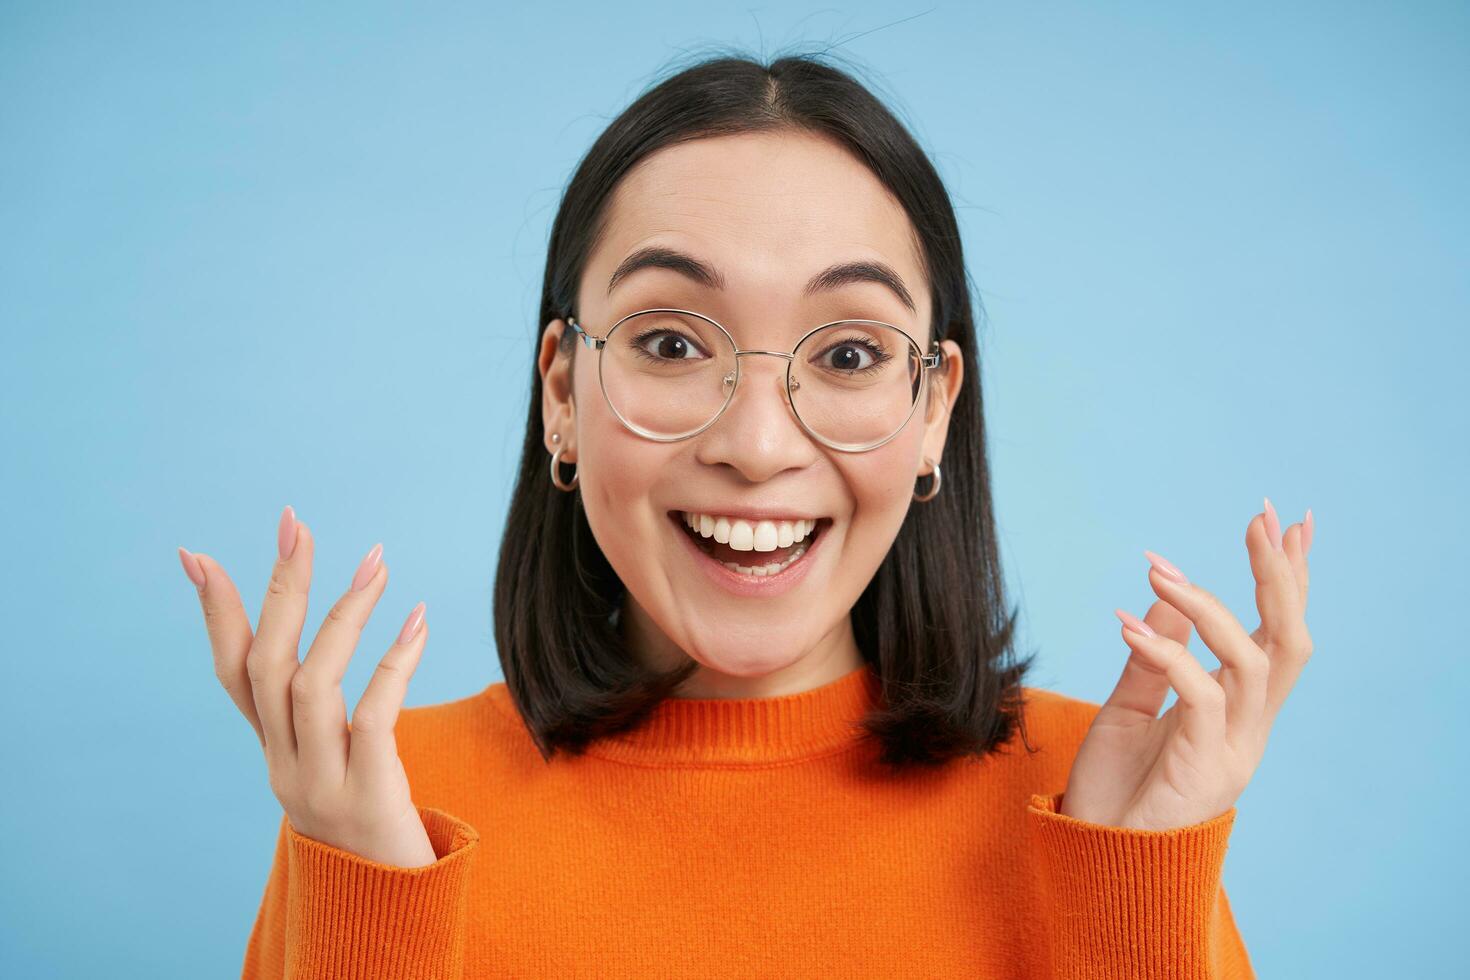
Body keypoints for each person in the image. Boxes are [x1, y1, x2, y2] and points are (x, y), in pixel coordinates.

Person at [179, 51, 1314, 979]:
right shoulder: (384, 808)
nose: (759, 446)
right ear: (561, 394)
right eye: (672, 343)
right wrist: (370, 912)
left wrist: (1130, 907)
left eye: (853, 352)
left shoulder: (1102, 799)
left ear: (932, 411)